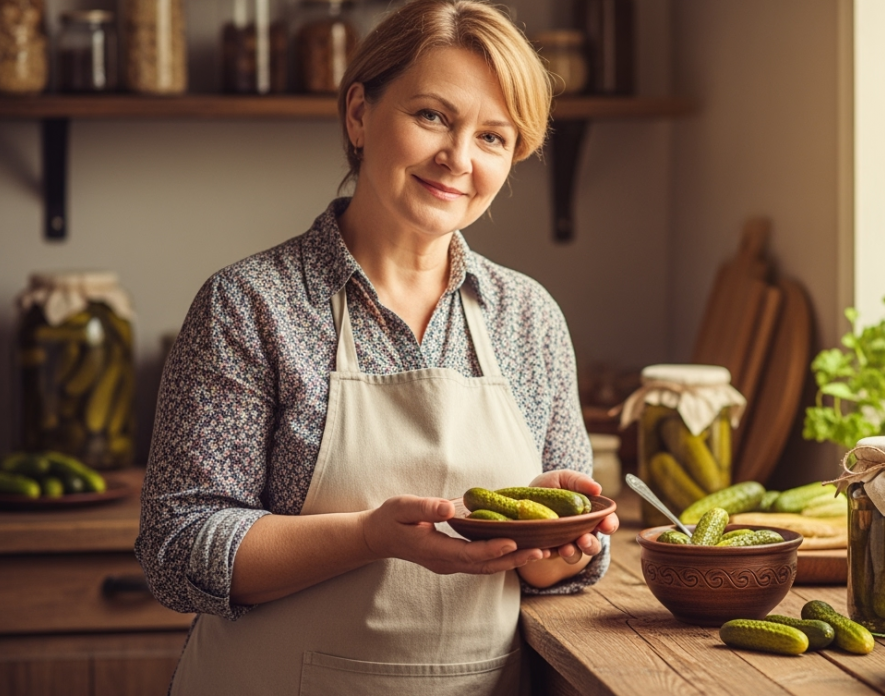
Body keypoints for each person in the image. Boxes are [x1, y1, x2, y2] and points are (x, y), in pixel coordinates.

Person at [135, 1, 618, 693]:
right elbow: (179, 549)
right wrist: (369, 537)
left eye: (493, 137)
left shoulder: (528, 318)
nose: (458, 158)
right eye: (432, 117)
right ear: (359, 114)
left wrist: (555, 544)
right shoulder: (249, 305)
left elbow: (548, 576)